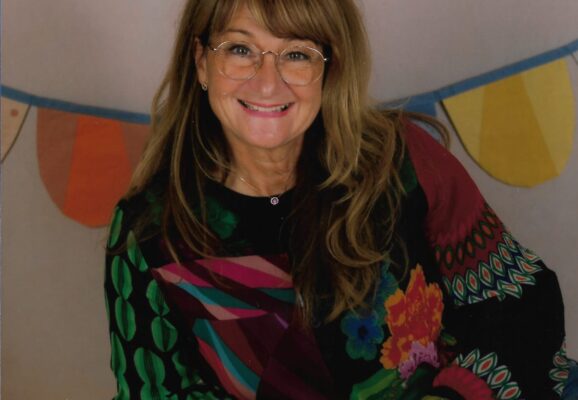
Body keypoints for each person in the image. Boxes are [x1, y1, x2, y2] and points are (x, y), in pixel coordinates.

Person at [104, 0, 575, 398]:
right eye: (240, 49)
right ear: (201, 62)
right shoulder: (146, 232)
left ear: (330, 68)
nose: (267, 83)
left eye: (297, 54)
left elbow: (522, 305)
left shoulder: (404, 160)